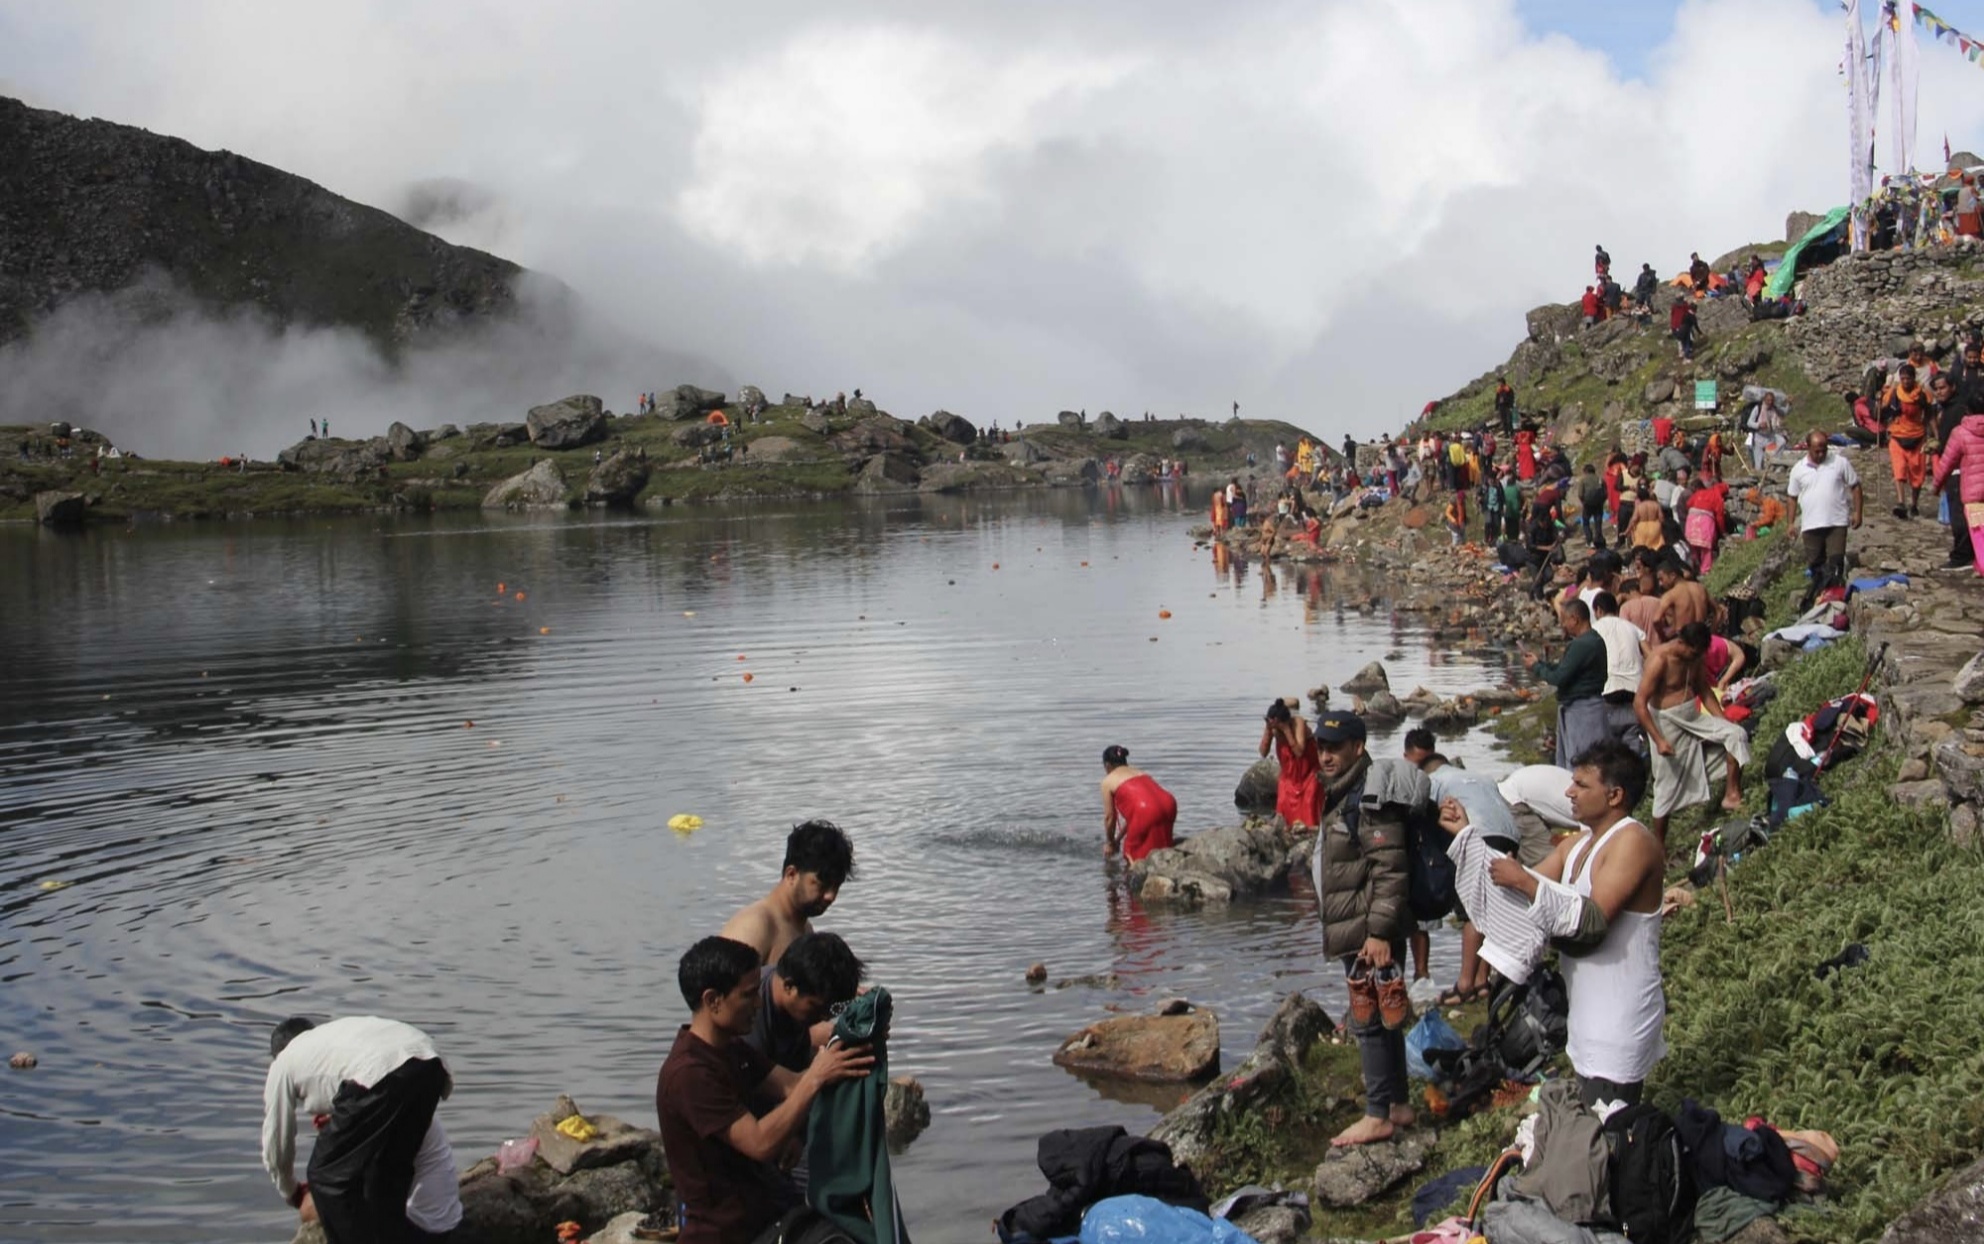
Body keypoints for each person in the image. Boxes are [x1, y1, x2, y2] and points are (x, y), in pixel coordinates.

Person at [658, 936, 872, 1244]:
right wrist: (816, 1076)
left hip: (769, 1210)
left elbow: (790, 1085)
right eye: (747, 996)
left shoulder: (731, 1048)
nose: (758, 1004)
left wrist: (853, 1046)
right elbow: (760, 1142)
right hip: (728, 1231)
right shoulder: (690, 1073)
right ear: (712, 1000)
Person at [1489, 743, 1665, 1107]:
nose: (1569, 792)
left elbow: (1591, 923)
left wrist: (1521, 879)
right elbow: (1519, 899)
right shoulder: (1577, 846)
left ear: (1615, 795)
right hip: (1585, 1016)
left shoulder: (1632, 841)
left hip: (1619, 1018)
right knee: (1593, 1129)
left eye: (1582, 785)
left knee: (1612, 1130)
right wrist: (1467, 840)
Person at [1307, 711, 1416, 1146]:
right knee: (1386, 1016)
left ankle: (1377, 1115)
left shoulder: (1368, 796)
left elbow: (1390, 869)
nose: (1326, 755)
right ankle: (1399, 1106)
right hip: (1361, 921)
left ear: (1359, 746)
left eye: (1335, 747)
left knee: (1367, 1017)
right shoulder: (1344, 791)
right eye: (1321, 747)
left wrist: (1378, 933)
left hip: (1367, 926)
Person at [261, 1015, 459, 1243]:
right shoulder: (332, 1039)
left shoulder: (284, 1062)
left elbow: (277, 1143)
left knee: (325, 1177)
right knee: (387, 1173)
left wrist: (292, 1191)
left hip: (384, 1071)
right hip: (429, 1062)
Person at [1406, 739, 1550, 1006]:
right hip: (1509, 835)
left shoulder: (1435, 779)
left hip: (1476, 832)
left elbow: (1424, 815)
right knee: (1493, 907)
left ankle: (1464, 984)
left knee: (1473, 910)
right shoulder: (1481, 777)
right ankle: (1482, 982)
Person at [1635, 623, 1749, 844]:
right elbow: (1639, 703)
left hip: (1691, 715)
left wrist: (1721, 719)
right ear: (1681, 643)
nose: (1695, 656)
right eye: (1692, 652)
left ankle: (1731, 794)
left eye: (1699, 653)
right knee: (1666, 782)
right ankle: (1659, 844)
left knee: (1735, 734)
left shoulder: (1695, 658)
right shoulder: (1659, 660)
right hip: (1665, 720)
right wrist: (1658, 740)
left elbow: (1704, 690)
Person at [720, 821, 856, 964]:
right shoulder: (755, 926)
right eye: (822, 885)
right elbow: (718, 985)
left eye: (836, 886)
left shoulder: (806, 929)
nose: (831, 896)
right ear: (791, 874)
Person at [745, 932, 866, 1076]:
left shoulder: (796, 1005)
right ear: (789, 987)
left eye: (833, 1010)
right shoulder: (750, 1016)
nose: (825, 1018)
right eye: (817, 1008)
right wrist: (821, 1074)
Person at [1524, 599, 1609, 770]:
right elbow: (1566, 669)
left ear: (1575, 619)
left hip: (1583, 711)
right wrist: (1541, 663)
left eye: (1564, 620)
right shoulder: (1595, 640)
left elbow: (1559, 678)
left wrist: (1536, 667)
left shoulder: (1582, 644)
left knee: (1582, 762)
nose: (1563, 624)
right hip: (1588, 707)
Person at [1786, 430, 1864, 608]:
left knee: (1835, 564)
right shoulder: (1798, 470)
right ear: (1808, 448)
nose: (1821, 454)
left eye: (1824, 450)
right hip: (1811, 525)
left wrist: (1858, 512)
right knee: (1816, 567)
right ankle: (1819, 602)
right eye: (1817, 451)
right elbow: (1791, 497)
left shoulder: (1839, 463)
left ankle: (1836, 602)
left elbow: (1855, 486)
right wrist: (1790, 523)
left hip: (1836, 522)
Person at [1588, 591, 1646, 750]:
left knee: (1608, 746)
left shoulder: (1594, 630)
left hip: (1608, 691)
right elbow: (1650, 655)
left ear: (1598, 610)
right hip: (1634, 691)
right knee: (1632, 739)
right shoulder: (1632, 628)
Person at [1100, 745, 1178, 861]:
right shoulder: (1139, 772)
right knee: (1162, 845)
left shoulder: (1108, 781)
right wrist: (1117, 840)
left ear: (1107, 765)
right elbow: (1136, 816)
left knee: (1131, 853)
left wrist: (1110, 843)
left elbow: (1109, 817)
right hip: (1169, 804)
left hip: (1145, 810)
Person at [1933, 397, 1984, 576]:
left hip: (1972, 492)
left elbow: (1947, 462)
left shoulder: (1961, 432)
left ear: (1968, 411)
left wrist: (1936, 485)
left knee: (1976, 531)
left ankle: (1968, 560)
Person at [1931, 372, 1975, 570]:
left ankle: (1962, 555)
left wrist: (1939, 479)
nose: (1939, 392)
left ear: (1953, 387)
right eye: (1937, 389)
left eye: (1943, 388)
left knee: (1959, 515)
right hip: (1963, 468)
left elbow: (1954, 446)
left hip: (1959, 470)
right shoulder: (1949, 409)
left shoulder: (1958, 411)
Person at [1881, 362, 1933, 518]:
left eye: (1908, 379)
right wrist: (1880, 402)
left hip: (1917, 436)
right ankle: (1900, 502)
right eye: (1902, 379)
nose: (1905, 382)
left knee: (1917, 474)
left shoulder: (1922, 394)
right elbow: (1883, 408)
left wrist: (1934, 435)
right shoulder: (1894, 393)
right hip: (1897, 435)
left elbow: (1929, 415)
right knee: (1899, 469)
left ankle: (1914, 503)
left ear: (1913, 378)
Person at [1261, 699, 1323, 829]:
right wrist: (1268, 731)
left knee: (1309, 802)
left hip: (1309, 772)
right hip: (1289, 775)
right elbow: (1263, 752)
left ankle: (1311, 830)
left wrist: (1287, 731)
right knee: (1283, 802)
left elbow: (1299, 752)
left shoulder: (1298, 723)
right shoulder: (1273, 729)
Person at [1749, 392, 1787, 472]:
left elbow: (1784, 413)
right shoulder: (1758, 408)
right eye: (1768, 400)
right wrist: (1759, 425)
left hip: (1770, 436)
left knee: (1782, 441)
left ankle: (1775, 461)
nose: (1770, 402)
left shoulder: (1774, 409)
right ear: (1764, 400)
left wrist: (1789, 405)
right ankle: (1759, 475)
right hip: (1759, 438)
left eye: (1772, 401)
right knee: (1758, 465)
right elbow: (1749, 423)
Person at [1577, 464, 1608, 550]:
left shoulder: (1583, 480)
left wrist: (1583, 502)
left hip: (1588, 504)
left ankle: (1589, 540)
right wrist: (1602, 501)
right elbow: (1606, 493)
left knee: (1586, 522)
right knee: (1598, 522)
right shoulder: (1600, 479)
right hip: (1599, 503)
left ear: (1585, 471)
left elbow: (1580, 494)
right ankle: (1598, 539)